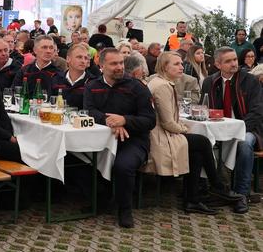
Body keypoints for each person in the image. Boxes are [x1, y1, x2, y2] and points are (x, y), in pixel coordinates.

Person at [145, 52, 242, 214]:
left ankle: (193, 200)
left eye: (181, 63)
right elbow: (168, 123)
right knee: (202, 142)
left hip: (161, 134)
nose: (182, 67)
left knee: (196, 153)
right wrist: (185, 129)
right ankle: (217, 185)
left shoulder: (160, 82)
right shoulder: (162, 86)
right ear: (164, 67)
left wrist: (182, 127)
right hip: (160, 138)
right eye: (176, 64)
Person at [84, 48, 156, 228]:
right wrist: (109, 121)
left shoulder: (137, 87)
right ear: (101, 65)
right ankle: (101, 199)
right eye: (114, 63)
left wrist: (125, 120)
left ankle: (125, 209)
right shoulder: (92, 86)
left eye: (121, 63)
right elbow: (89, 110)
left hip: (133, 140)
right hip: (100, 140)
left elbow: (150, 120)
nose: (119, 67)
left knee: (123, 166)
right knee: (77, 160)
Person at [201, 47, 263, 213]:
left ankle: (241, 193)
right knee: (202, 142)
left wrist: (239, 129)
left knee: (244, 144)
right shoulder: (210, 82)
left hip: (248, 128)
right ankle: (214, 189)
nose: (234, 63)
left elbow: (257, 111)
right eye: (228, 61)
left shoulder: (250, 81)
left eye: (235, 59)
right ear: (218, 64)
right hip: (219, 129)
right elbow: (204, 108)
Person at [51, 43, 92, 109]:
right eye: (79, 57)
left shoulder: (92, 82)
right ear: (68, 59)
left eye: (86, 58)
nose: (83, 61)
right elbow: (50, 102)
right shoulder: (57, 79)